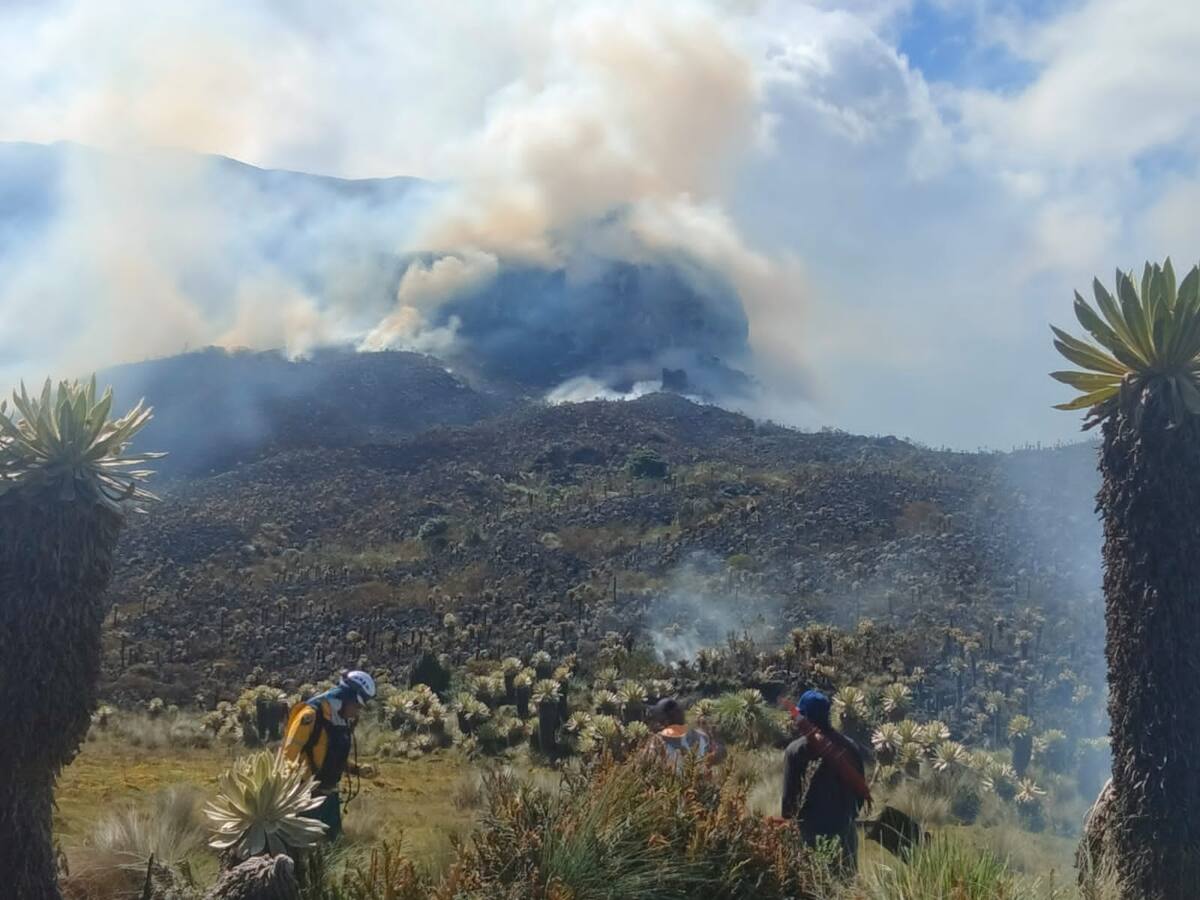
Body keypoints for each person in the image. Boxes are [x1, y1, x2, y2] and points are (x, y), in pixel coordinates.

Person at [780, 689, 870, 879]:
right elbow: (860, 793)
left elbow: (789, 801)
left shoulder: (795, 751)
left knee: (811, 886)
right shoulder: (850, 747)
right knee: (845, 887)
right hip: (844, 833)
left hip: (809, 836)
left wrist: (789, 833)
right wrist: (847, 816)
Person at [282, 670, 377, 842]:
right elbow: (289, 754)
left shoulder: (340, 720)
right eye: (357, 706)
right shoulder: (311, 715)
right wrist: (292, 789)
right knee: (308, 847)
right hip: (305, 797)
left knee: (334, 844)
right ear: (346, 697)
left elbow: (330, 755)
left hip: (330, 796)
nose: (357, 712)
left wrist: (356, 769)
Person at [647, 697, 725, 767]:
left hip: (672, 780)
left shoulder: (658, 742)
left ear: (664, 722)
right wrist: (715, 738)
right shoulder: (701, 737)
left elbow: (649, 763)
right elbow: (719, 757)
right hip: (698, 779)